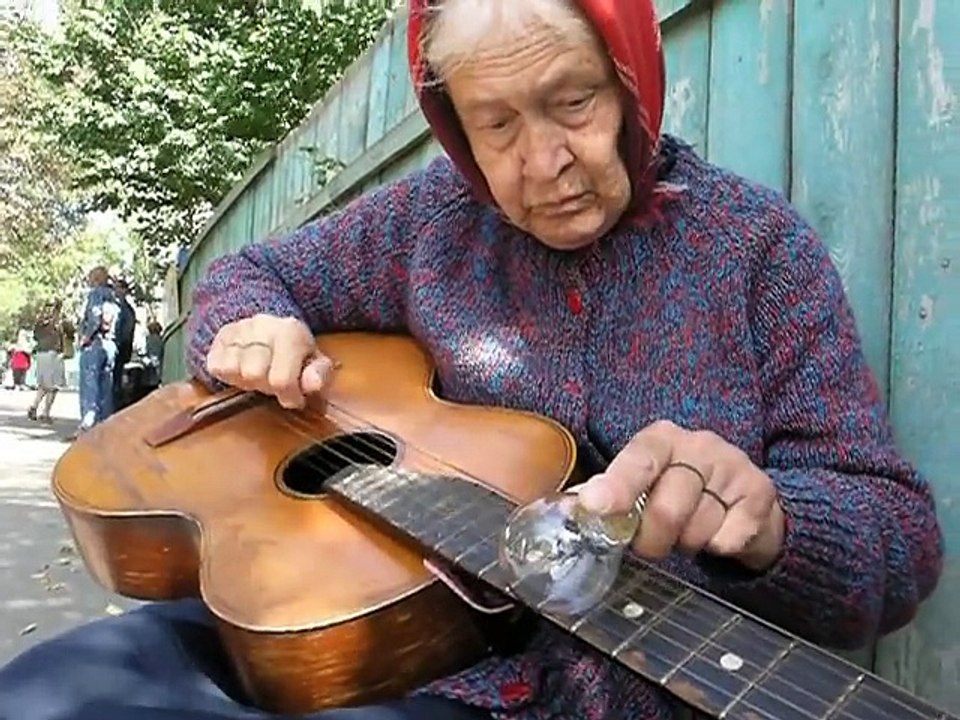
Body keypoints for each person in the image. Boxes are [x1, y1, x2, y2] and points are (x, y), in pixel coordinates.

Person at [0, 0, 945, 718]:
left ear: (632, 79)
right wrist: (254, 326)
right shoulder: (430, 222)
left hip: (586, 685)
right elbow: (254, 274)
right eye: (496, 125)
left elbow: (896, 536)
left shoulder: (756, 248)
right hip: (345, 606)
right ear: (454, 126)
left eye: (573, 102)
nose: (543, 162)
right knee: (50, 687)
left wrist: (776, 526)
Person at [75, 266, 121, 435]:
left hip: (95, 343)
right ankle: (105, 428)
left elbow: (95, 315)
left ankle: (88, 426)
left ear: (94, 279)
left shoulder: (95, 294)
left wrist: (86, 336)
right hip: (110, 344)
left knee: (90, 385)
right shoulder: (114, 297)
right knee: (105, 386)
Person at [27, 302, 67, 423]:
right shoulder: (54, 323)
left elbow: (35, 337)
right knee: (53, 387)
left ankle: (34, 407)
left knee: (44, 385)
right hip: (52, 355)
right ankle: (45, 413)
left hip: (41, 354)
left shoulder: (39, 324)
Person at [112, 277, 137, 410]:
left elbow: (126, 332)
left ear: (124, 290)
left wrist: (117, 343)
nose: (115, 290)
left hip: (120, 349)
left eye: (117, 288)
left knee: (115, 380)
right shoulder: (124, 308)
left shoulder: (124, 309)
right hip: (121, 349)